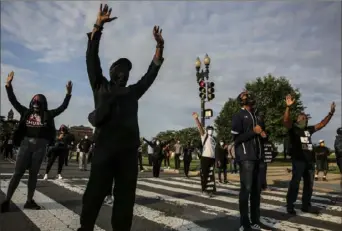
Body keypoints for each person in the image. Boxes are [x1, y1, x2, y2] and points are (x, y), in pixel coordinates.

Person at [78, 4, 164, 231]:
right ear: (113, 72)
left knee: (125, 200)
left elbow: (151, 74)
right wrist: (98, 26)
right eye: (121, 68)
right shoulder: (100, 86)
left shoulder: (133, 92)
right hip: (105, 150)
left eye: (128, 69)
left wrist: (159, 46)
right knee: (95, 193)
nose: (125, 72)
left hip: (127, 153)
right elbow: (91, 58)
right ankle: (85, 227)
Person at [1, 71, 72, 213]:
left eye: (39, 102)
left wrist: (68, 94)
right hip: (26, 144)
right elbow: (13, 101)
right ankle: (7, 200)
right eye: (34, 101)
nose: (36, 104)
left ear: (43, 103)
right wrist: (8, 85)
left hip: (40, 146)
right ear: (31, 103)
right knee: (18, 173)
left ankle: (29, 200)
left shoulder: (47, 114)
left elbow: (62, 107)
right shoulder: (26, 112)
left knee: (33, 174)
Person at [283, 94, 335, 215]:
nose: (304, 118)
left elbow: (322, 124)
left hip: (310, 162)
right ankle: (290, 205)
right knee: (295, 183)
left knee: (309, 185)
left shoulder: (309, 130)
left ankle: (306, 205)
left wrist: (331, 113)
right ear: (297, 119)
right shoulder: (293, 129)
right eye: (302, 117)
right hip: (299, 161)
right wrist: (288, 107)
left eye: (306, 117)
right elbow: (286, 120)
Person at [231, 91, 265, 231]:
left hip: (258, 157)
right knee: (246, 190)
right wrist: (253, 132)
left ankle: (255, 220)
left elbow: (259, 133)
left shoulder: (257, 116)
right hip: (246, 158)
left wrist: (263, 134)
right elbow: (236, 139)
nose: (249, 96)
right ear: (242, 100)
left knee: (257, 191)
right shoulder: (238, 116)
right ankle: (244, 224)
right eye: (246, 95)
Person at [192, 112, 217, 197]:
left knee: (211, 175)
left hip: (212, 158)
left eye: (212, 129)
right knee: (205, 174)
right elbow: (200, 128)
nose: (211, 130)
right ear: (207, 130)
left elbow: (214, 149)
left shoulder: (214, 139)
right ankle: (204, 190)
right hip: (205, 157)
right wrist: (196, 119)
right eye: (209, 129)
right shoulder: (204, 136)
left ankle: (210, 190)